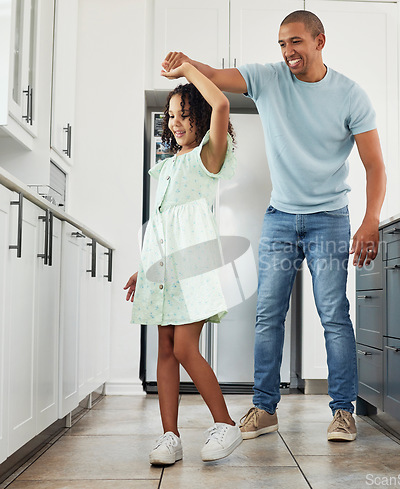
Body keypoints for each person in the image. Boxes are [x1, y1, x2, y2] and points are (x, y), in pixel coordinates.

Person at [161, 10, 386, 442]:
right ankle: (264, 409)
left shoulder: (350, 95)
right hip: (281, 216)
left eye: (296, 42)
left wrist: (370, 219)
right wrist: (189, 63)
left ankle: (343, 412)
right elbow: (216, 77)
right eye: (282, 44)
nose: (288, 52)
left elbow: (375, 166)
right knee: (268, 316)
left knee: (334, 314)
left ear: (320, 41)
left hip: (329, 219)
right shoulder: (268, 78)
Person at [124, 62, 242, 464]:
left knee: (186, 347)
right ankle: (169, 437)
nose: (175, 123)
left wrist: (190, 71)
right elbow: (161, 225)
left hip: (192, 264)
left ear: (201, 118)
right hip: (162, 267)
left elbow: (223, 102)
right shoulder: (169, 165)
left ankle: (226, 423)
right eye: (170, 115)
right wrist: (145, 268)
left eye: (184, 115)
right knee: (165, 348)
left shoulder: (207, 157)